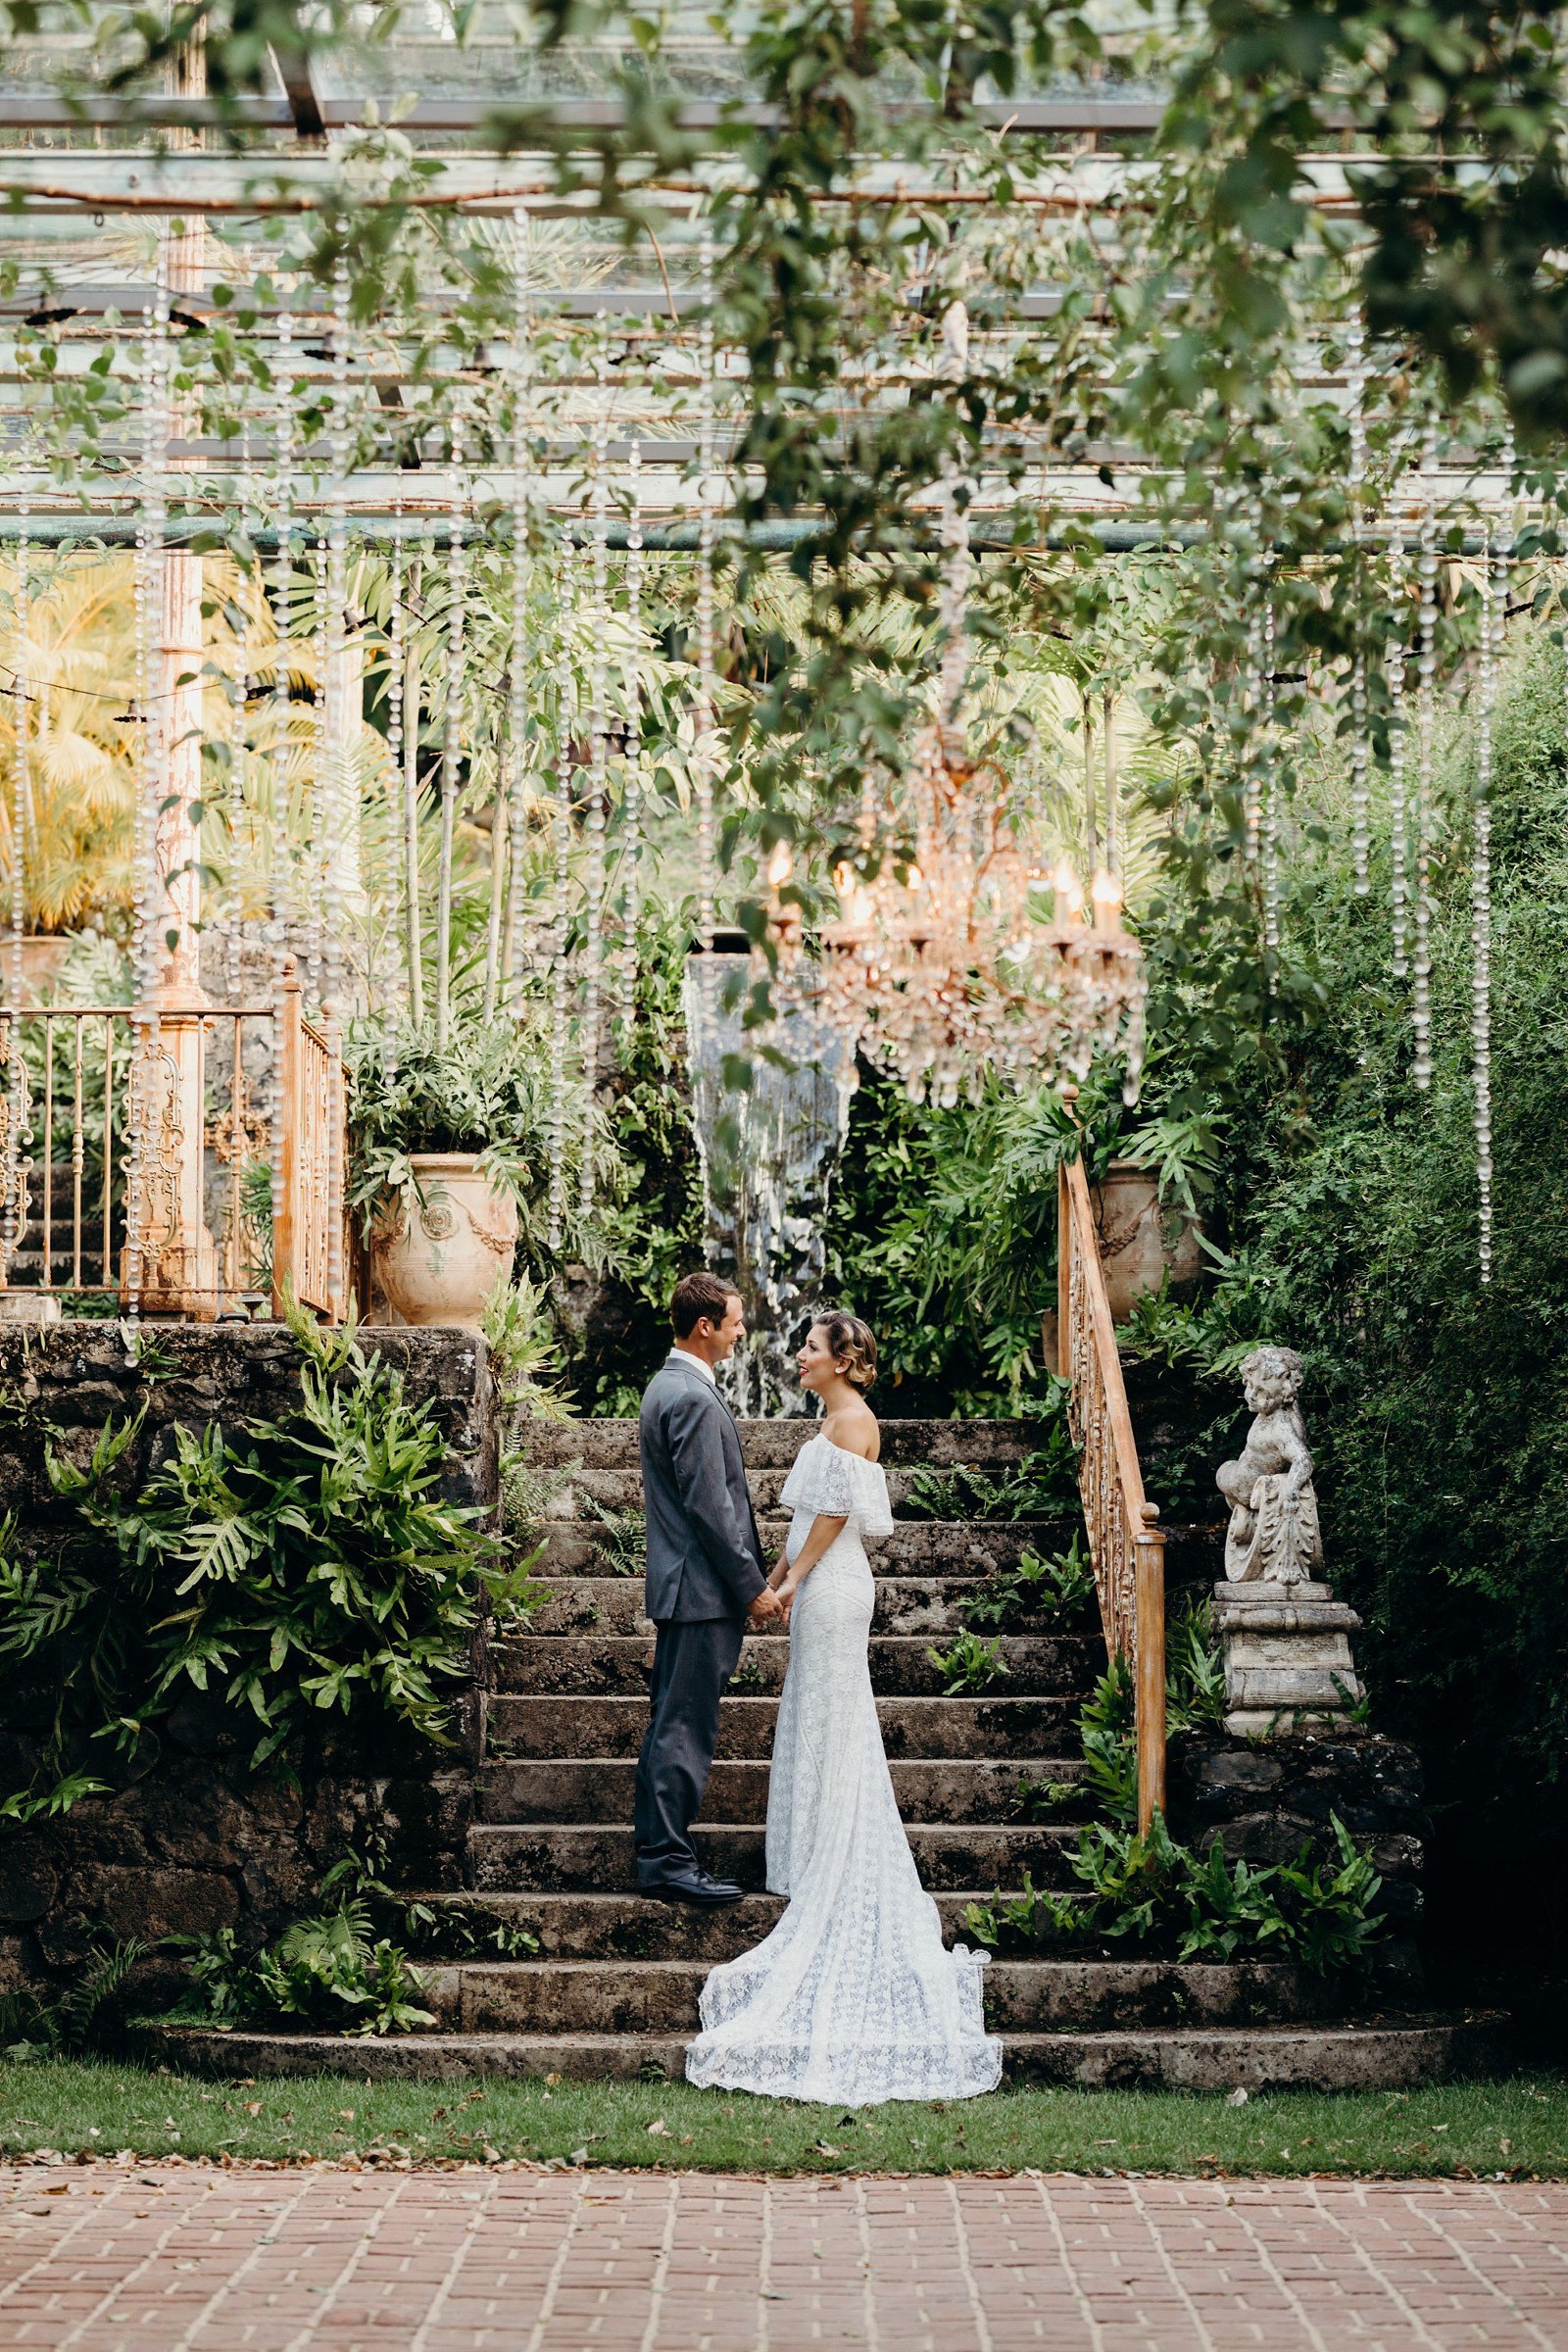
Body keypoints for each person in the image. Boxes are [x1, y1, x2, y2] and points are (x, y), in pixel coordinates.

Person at [685, 1310, 1002, 2104]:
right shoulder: (833, 1420)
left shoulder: (856, 1422)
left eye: (811, 1347)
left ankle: (831, 1848)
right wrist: (776, 1576)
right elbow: (803, 1520)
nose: (799, 1356)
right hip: (818, 1582)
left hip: (836, 1590)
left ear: (845, 1360)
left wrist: (788, 1585)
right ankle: (804, 1850)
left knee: (833, 1709)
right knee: (812, 1709)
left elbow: (831, 1520)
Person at [634, 1271, 782, 1905]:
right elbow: (712, 1509)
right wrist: (751, 1587)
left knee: (673, 1724)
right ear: (705, 1327)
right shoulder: (691, 1397)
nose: (742, 1330)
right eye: (735, 1320)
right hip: (700, 1593)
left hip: (686, 1590)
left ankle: (663, 1855)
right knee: (683, 1729)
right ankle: (667, 1862)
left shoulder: (669, 1386)